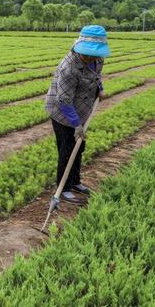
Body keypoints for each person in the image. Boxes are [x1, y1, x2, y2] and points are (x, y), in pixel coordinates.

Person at [45, 25, 109, 205]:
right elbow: (64, 101)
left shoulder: (98, 59)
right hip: (63, 113)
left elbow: (97, 76)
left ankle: (74, 182)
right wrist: (76, 125)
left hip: (82, 108)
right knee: (67, 150)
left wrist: (100, 89)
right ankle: (63, 189)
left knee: (79, 147)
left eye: (94, 54)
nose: (91, 57)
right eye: (87, 53)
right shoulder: (69, 68)